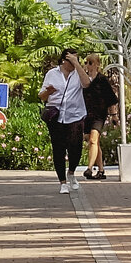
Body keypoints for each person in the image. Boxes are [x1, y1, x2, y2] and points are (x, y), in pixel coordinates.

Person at [40, 48, 90, 194]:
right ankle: (62, 182)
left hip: (75, 115)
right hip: (56, 116)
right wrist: (48, 92)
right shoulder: (52, 74)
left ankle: (72, 172)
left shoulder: (78, 73)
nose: (75, 62)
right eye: (72, 60)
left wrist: (77, 64)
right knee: (58, 149)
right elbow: (42, 96)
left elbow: (87, 84)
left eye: (77, 59)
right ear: (64, 60)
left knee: (76, 148)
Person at [81, 53, 118, 180]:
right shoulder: (84, 80)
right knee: (92, 141)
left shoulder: (102, 80)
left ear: (97, 65)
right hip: (87, 114)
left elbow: (111, 98)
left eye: (90, 63)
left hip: (99, 114)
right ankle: (101, 170)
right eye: (86, 62)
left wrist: (114, 115)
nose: (88, 66)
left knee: (93, 140)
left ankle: (89, 168)